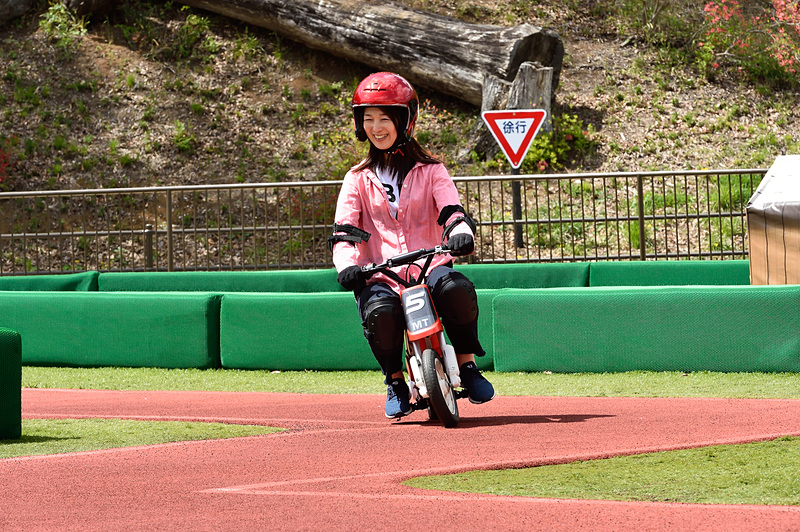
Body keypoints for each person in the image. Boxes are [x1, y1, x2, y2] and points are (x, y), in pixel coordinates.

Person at [328, 71, 495, 419]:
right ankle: (395, 380)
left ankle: (467, 365)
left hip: (428, 265)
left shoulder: (432, 170)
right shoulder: (356, 178)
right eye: (368, 119)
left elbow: (452, 211)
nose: (377, 127)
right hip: (381, 275)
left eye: (385, 119)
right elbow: (345, 232)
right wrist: (347, 267)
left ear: (405, 120)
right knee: (379, 313)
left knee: (455, 288)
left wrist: (461, 232)